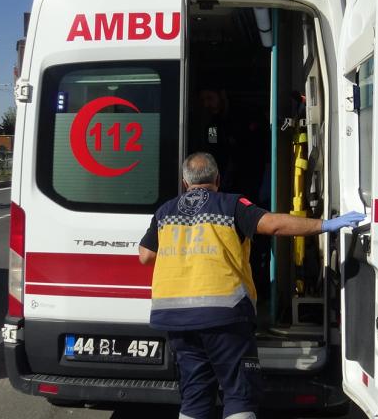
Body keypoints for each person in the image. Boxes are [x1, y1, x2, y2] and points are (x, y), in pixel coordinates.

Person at [138, 152, 365, 419]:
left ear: (185, 182)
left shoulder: (165, 211)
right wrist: (324, 224)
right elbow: (274, 225)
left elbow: (146, 256)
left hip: (176, 320)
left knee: (194, 393)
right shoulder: (231, 205)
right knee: (239, 394)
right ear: (217, 179)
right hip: (224, 316)